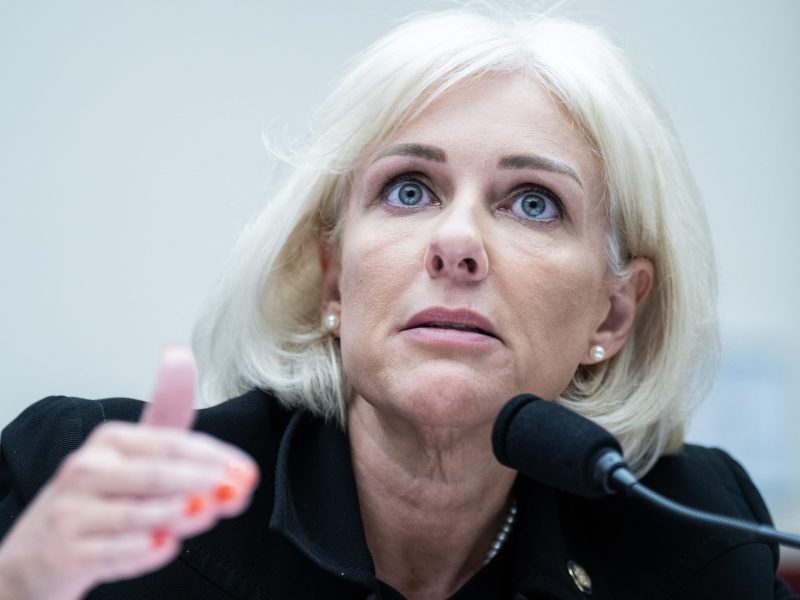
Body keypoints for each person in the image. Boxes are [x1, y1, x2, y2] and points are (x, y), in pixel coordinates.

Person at [0, 9, 795, 600]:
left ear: (613, 316)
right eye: (409, 190)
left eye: (532, 203)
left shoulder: (695, 537)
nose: (457, 242)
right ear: (334, 278)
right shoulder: (84, 488)